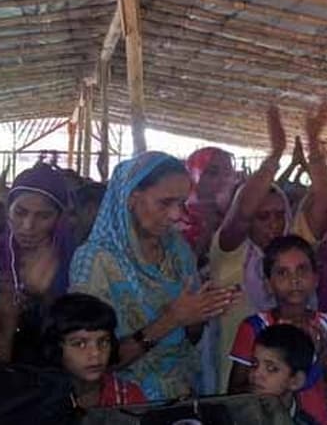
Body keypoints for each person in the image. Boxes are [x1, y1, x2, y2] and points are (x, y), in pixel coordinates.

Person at [70, 152, 240, 402]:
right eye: (165, 203)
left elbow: (188, 337)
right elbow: (90, 359)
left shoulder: (177, 250)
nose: (175, 215)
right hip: (120, 402)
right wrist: (171, 319)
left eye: (181, 203)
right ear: (131, 198)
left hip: (180, 392)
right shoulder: (95, 261)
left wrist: (202, 311)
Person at [211, 103, 327, 391]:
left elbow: (326, 206)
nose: (275, 224)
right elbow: (242, 212)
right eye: (263, 217)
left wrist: (313, 143)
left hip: (299, 382)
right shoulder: (229, 254)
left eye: (280, 214)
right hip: (242, 379)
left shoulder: (292, 248)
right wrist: (275, 154)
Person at [229, 235, 327, 425]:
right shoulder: (254, 328)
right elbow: (235, 392)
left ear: (316, 278)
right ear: (268, 284)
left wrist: (324, 358)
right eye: (282, 273)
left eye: (302, 269)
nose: (294, 279)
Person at [0, 164, 75, 364]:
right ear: (8, 210)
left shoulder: (74, 263)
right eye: (20, 212)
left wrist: (46, 297)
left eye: (44, 216)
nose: (28, 226)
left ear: (59, 219)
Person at [41, 293, 146, 408]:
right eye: (80, 344)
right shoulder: (39, 399)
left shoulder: (127, 396)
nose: (96, 353)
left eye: (103, 342)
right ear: (56, 347)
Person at [249, 324, 320, 425]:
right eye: (254, 364)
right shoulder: (232, 416)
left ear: (296, 381)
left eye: (271, 368)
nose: (256, 374)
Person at [181, 147, 237, 263]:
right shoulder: (179, 218)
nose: (223, 179)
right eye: (213, 173)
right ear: (194, 174)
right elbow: (184, 264)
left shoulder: (235, 214)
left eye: (228, 172)